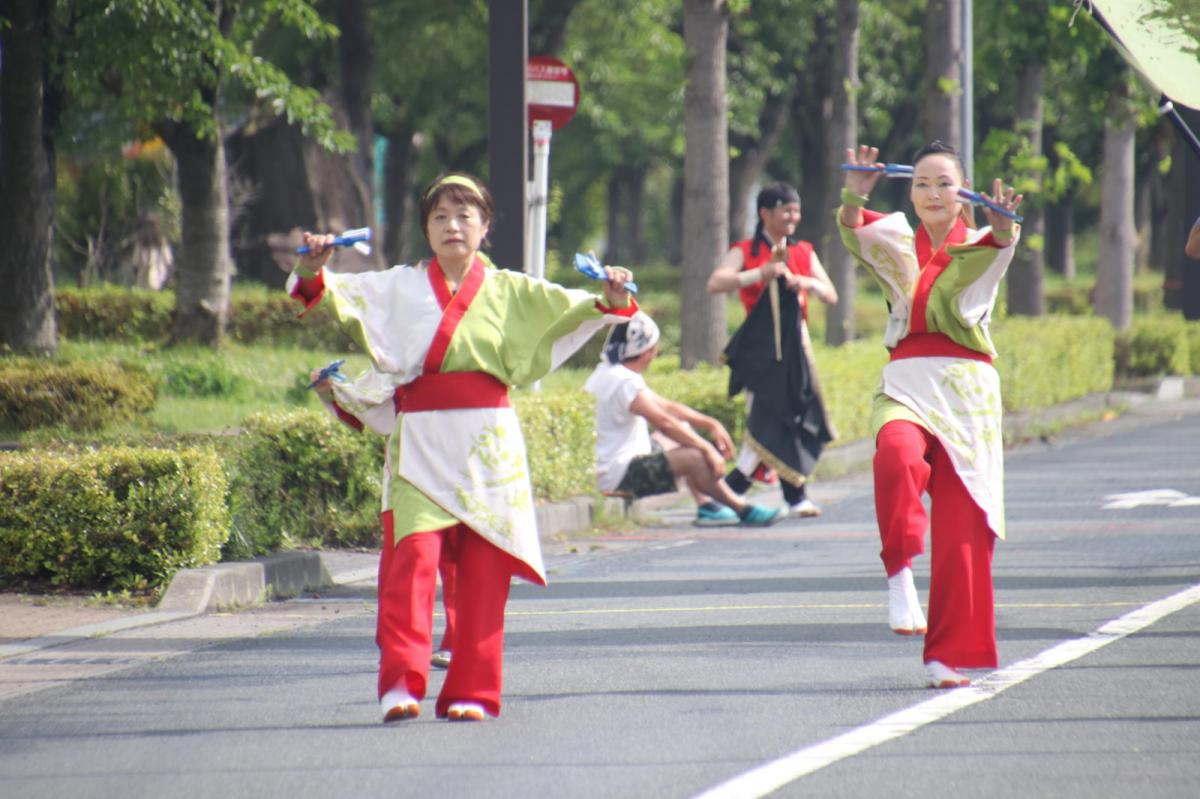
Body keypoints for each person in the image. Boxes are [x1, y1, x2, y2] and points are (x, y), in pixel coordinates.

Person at [293, 172, 638, 722]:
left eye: (464, 216)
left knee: (483, 572)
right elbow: (330, 294)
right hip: (419, 443)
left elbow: (584, 307)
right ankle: (400, 684)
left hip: (487, 445)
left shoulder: (512, 290)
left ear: (485, 226)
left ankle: (472, 692)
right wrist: (314, 268)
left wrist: (613, 295)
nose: (452, 226)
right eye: (440, 217)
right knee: (411, 561)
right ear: (426, 229)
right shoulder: (400, 285)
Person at [837, 142, 1023, 689]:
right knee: (895, 454)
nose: (932, 193)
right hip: (906, 380)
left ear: (963, 192)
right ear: (911, 192)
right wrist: (854, 196)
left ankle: (945, 657)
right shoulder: (896, 240)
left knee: (963, 529)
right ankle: (899, 571)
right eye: (921, 183)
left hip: (967, 395)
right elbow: (853, 229)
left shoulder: (982, 243)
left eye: (944, 183)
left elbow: (1003, 241)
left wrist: (1003, 226)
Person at [309, 366, 456, 671]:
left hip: (459, 463)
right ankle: (400, 645)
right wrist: (333, 390)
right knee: (402, 561)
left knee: (458, 560)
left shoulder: (470, 342)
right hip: (407, 469)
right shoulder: (395, 349)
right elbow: (376, 412)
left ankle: (460, 642)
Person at [707, 183, 838, 518]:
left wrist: (805, 283)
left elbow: (830, 294)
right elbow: (716, 283)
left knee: (794, 414)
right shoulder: (744, 251)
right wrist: (759, 274)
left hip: (796, 347)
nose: (793, 217)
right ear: (765, 213)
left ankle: (739, 493)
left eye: (796, 211)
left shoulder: (803, 251)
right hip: (761, 349)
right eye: (786, 210)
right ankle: (767, 495)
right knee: (765, 415)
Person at [584, 312, 782, 527]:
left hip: (613, 465)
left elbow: (668, 407)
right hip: (618, 475)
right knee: (694, 456)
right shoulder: (624, 381)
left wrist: (710, 423)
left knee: (684, 430)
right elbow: (664, 422)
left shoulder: (610, 372)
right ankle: (742, 508)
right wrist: (707, 448)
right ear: (649, 351)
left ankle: (707, 505)